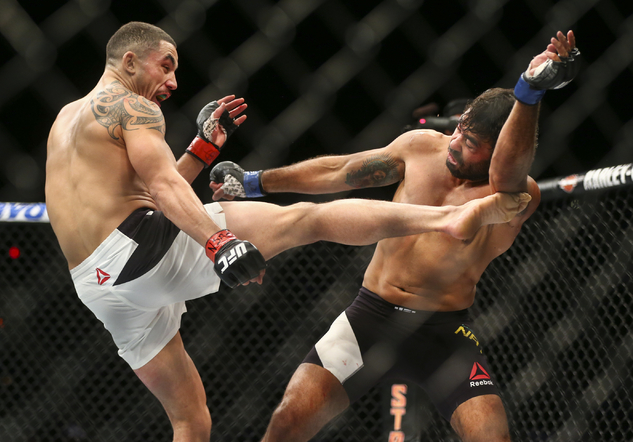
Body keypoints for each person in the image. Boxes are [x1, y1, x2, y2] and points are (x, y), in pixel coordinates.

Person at [44, 21, 530, 442]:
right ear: (129, 60)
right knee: (307, 219)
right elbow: (163, 187)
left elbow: (148, 193)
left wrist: (203, 152)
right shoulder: (135, 109)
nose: (172, 81)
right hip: (141, 253)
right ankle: (444, 219)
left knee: (191, 418)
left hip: (98, 285)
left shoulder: (66, 117)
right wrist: (221, 243)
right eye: (165, 66)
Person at [209, 31, 580, 441]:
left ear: (498, 150)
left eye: (471, 142)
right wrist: (255, 182)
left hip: (443, 334)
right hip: (371, 317)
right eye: (460, 128)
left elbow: (507, 173)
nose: (455, 142)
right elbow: (340, 171)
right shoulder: (422, 148)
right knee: (287, 421)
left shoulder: (515, 196)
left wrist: (529, 92)